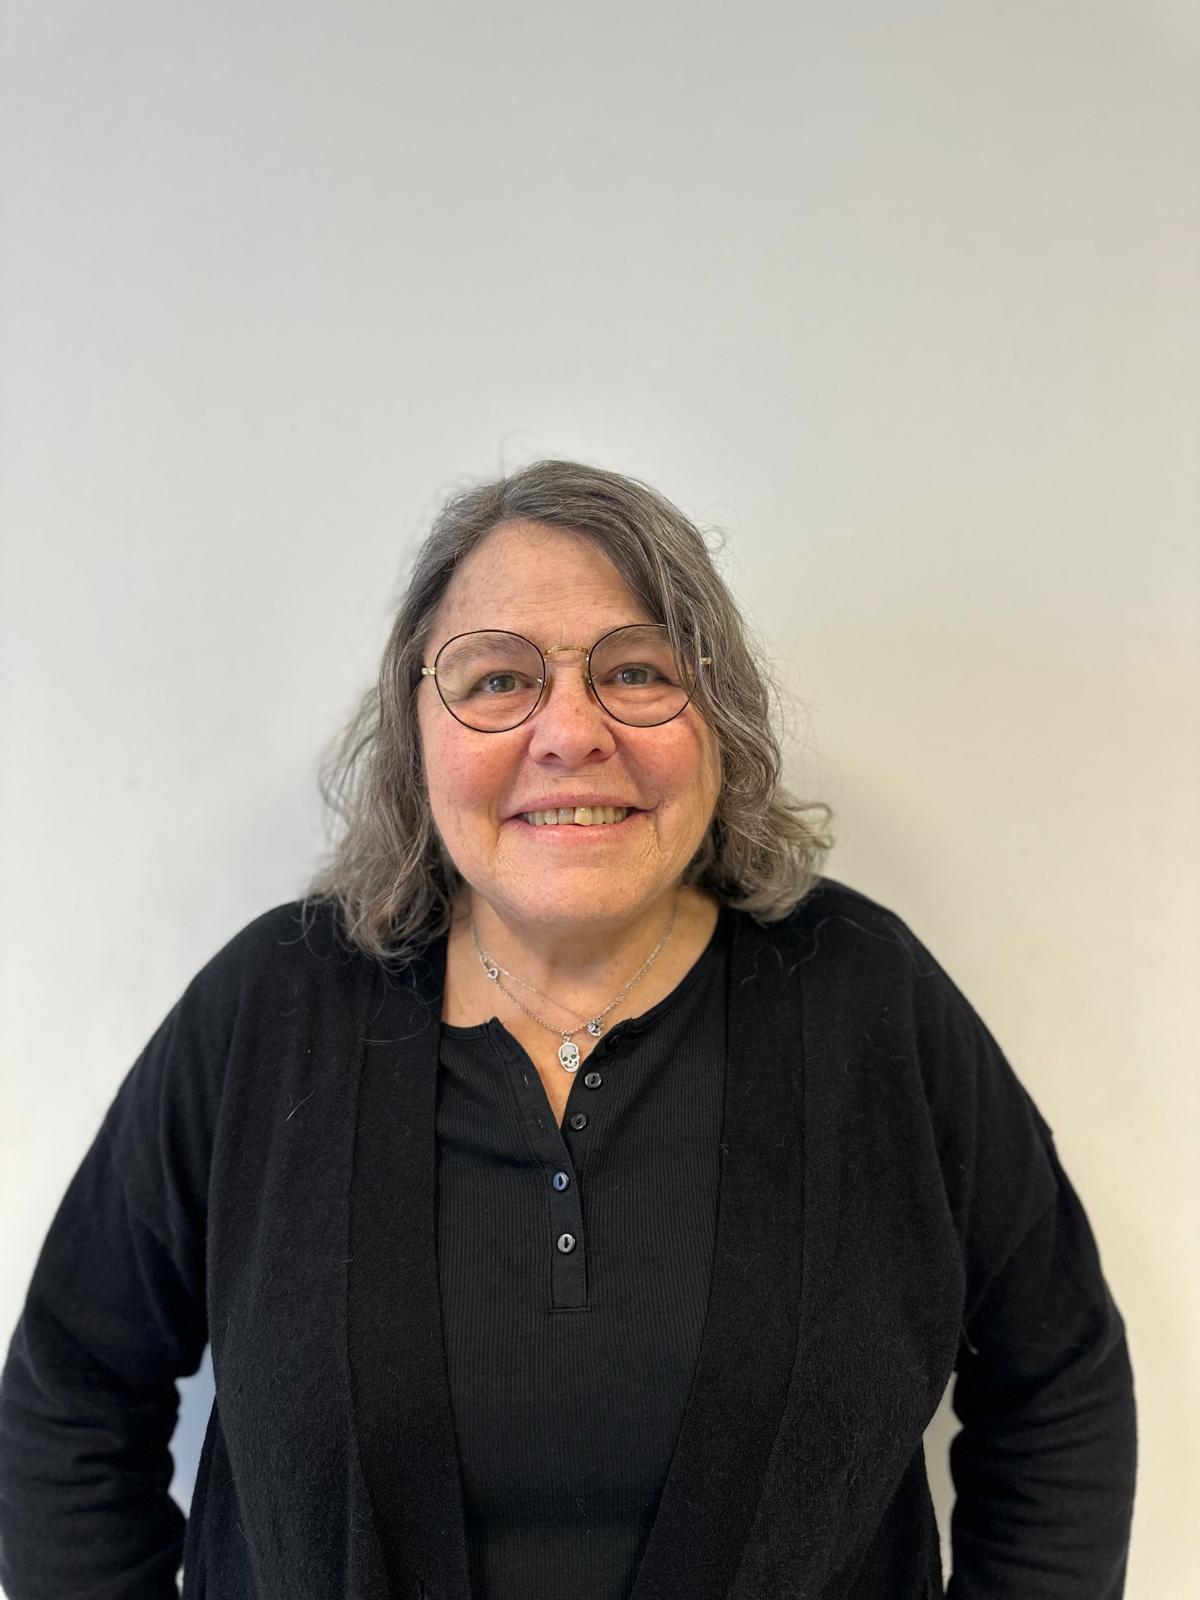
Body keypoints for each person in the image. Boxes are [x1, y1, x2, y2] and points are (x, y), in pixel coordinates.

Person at [0, 459, 1136, 1600]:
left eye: (637, 671)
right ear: (416, 730)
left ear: (719, 717)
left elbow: (1059, 1382)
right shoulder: (272, 1009)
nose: (571, 733)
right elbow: (70, 1398)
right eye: (499, 680)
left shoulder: (865, 997)